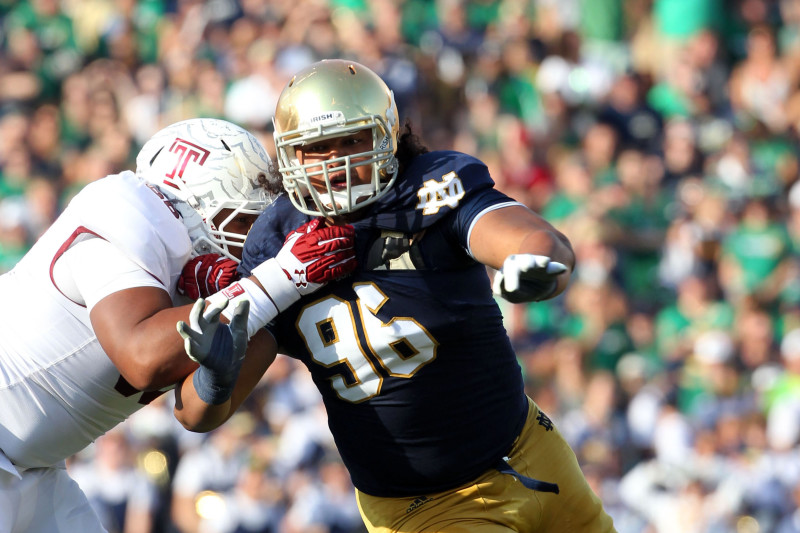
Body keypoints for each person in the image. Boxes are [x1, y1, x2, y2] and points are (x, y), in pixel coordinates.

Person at [186, 60, 617, 532]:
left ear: (387, 135)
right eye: (318, 148)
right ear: (290, 157)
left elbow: (534, 240)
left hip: (532, 451)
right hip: (423, 509)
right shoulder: (275, 244)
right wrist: (216, 377)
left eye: (352, 140)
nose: (337, 163)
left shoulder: (428, 186)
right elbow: (198, 414)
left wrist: (535, 265)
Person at [0, 117, 357, 533]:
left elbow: (197, 415)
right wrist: (280, 279)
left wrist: (218, 377)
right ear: (189, 208)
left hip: (34, 468)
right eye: (241, 222)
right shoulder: (127, 212)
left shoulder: (232, 289)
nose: (254, 241)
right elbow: (142, 358)